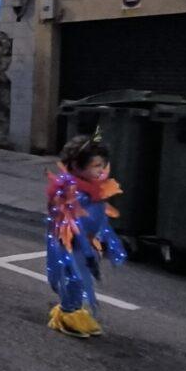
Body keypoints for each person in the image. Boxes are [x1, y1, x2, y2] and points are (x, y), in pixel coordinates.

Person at [45, 134, 127, 338]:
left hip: (87, 243)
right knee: (74, 276)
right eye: (96, 165)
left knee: (81, 279)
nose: (101, 170)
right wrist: (85, 246)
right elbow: (72, 224)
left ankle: (73, 309)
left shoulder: (93, 190)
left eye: (103, 165)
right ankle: (67, 314)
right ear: (76, 166)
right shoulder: (72, 193)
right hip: (71, 245)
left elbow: (101, 218)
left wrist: (109, 239)